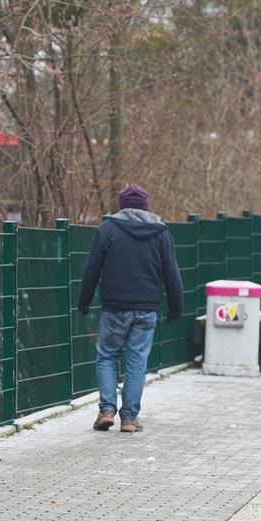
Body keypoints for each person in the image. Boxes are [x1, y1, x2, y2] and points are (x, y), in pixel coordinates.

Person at [77, 184, 183, 433]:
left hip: (114, 307)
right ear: (146, 206)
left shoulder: (107, 230)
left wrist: (84, 301)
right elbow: (172, 273)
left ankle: (106, 410)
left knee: (107, 356)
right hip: (147, 308)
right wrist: (176, 307)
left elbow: (91, 268)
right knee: (137, 360)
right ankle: (129, 417)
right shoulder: (161, 233)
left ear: (122, 206)